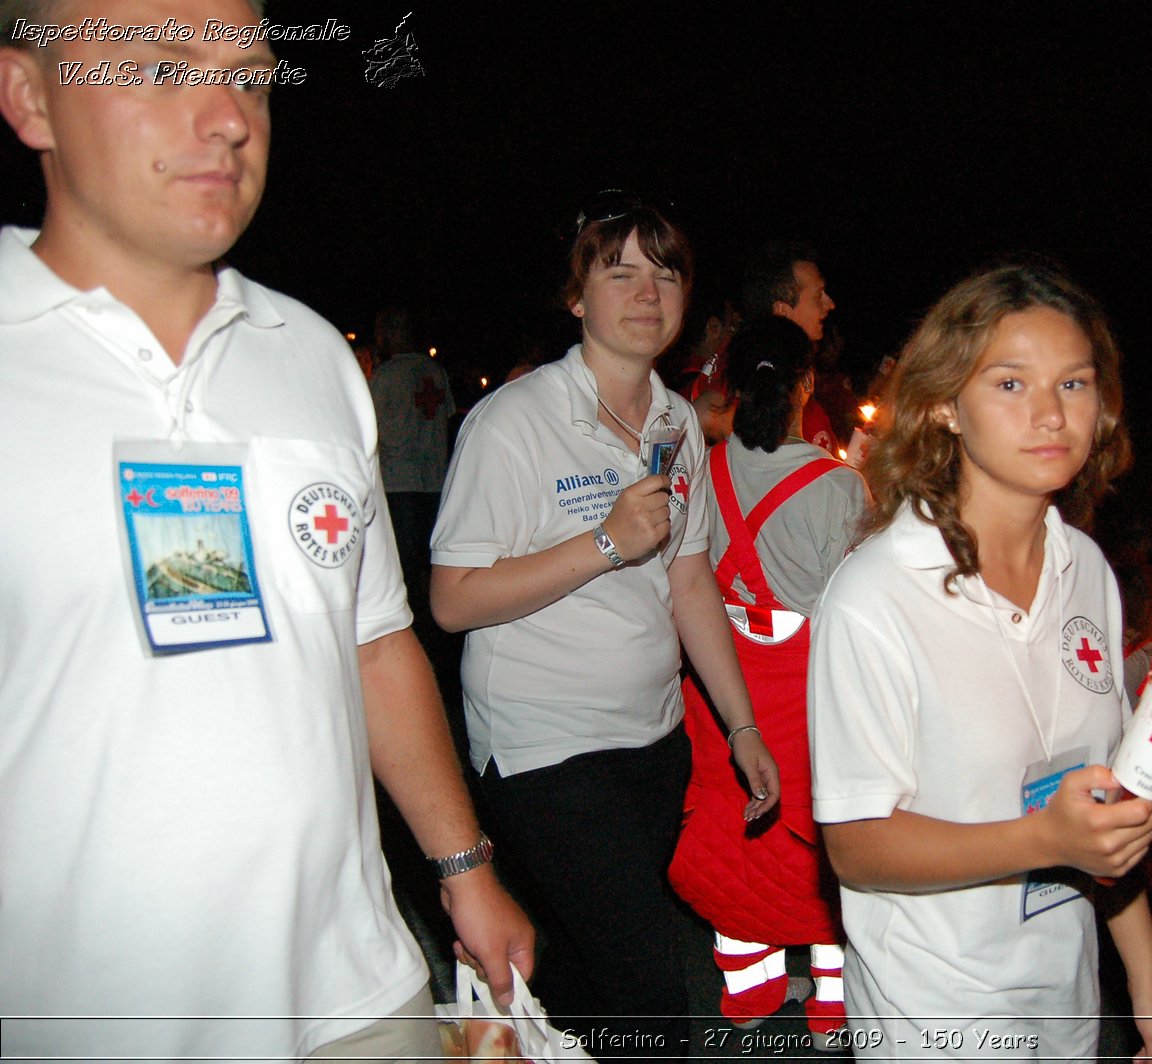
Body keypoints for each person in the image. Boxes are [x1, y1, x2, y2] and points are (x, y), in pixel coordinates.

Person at [0, 1, 533, 1060]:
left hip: (360, 992)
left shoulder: (311, 357)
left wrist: (464, 866)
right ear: (29, 96)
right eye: (158, 70)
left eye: (250, 75)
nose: (229, 117)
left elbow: (374, 641)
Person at [429, 192, 780, 1059]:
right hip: (545, 745)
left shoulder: (676, 422)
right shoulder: (513, 422)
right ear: (575, 296)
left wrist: (741, 726)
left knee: (589, 977)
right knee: (650, 992)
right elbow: (451, 599)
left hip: (653, 739)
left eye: (665, 273)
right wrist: (604, 543)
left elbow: (690, 580)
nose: (647, 292)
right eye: (617, 271)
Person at [809, 261, 1152, 1060]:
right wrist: (1044, 840)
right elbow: (856, 844)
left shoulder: (1085, 567)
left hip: (1066, 989)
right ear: (946, 404)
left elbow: (1101, 803)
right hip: (932, 1006)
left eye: (1075, 385)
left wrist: (1146, 981)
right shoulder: (875, 595)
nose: (1051, 415)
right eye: (1011, 385)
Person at [667, 316, 866, 1047]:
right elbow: (857, 606)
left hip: (721, 691)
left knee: (729, 829)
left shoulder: (704, 467)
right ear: (805, 385)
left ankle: (749, 991)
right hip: (803, 693)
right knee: (819, 836)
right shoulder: (838, 483)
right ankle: (831, 1011)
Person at [369, 305, 456, 622]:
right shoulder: (434, 371)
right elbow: (446, 419)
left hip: (398, 485)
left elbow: (369, 428)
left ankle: (411, 626)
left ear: (392, 333)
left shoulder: (387, 376)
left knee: (402, 568)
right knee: (428, 564)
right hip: (434, 484)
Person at [743, 239, 843, 452]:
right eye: (819, 295)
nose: (830, 304)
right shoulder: (758, 391)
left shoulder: (800, 378)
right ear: (782, 311)